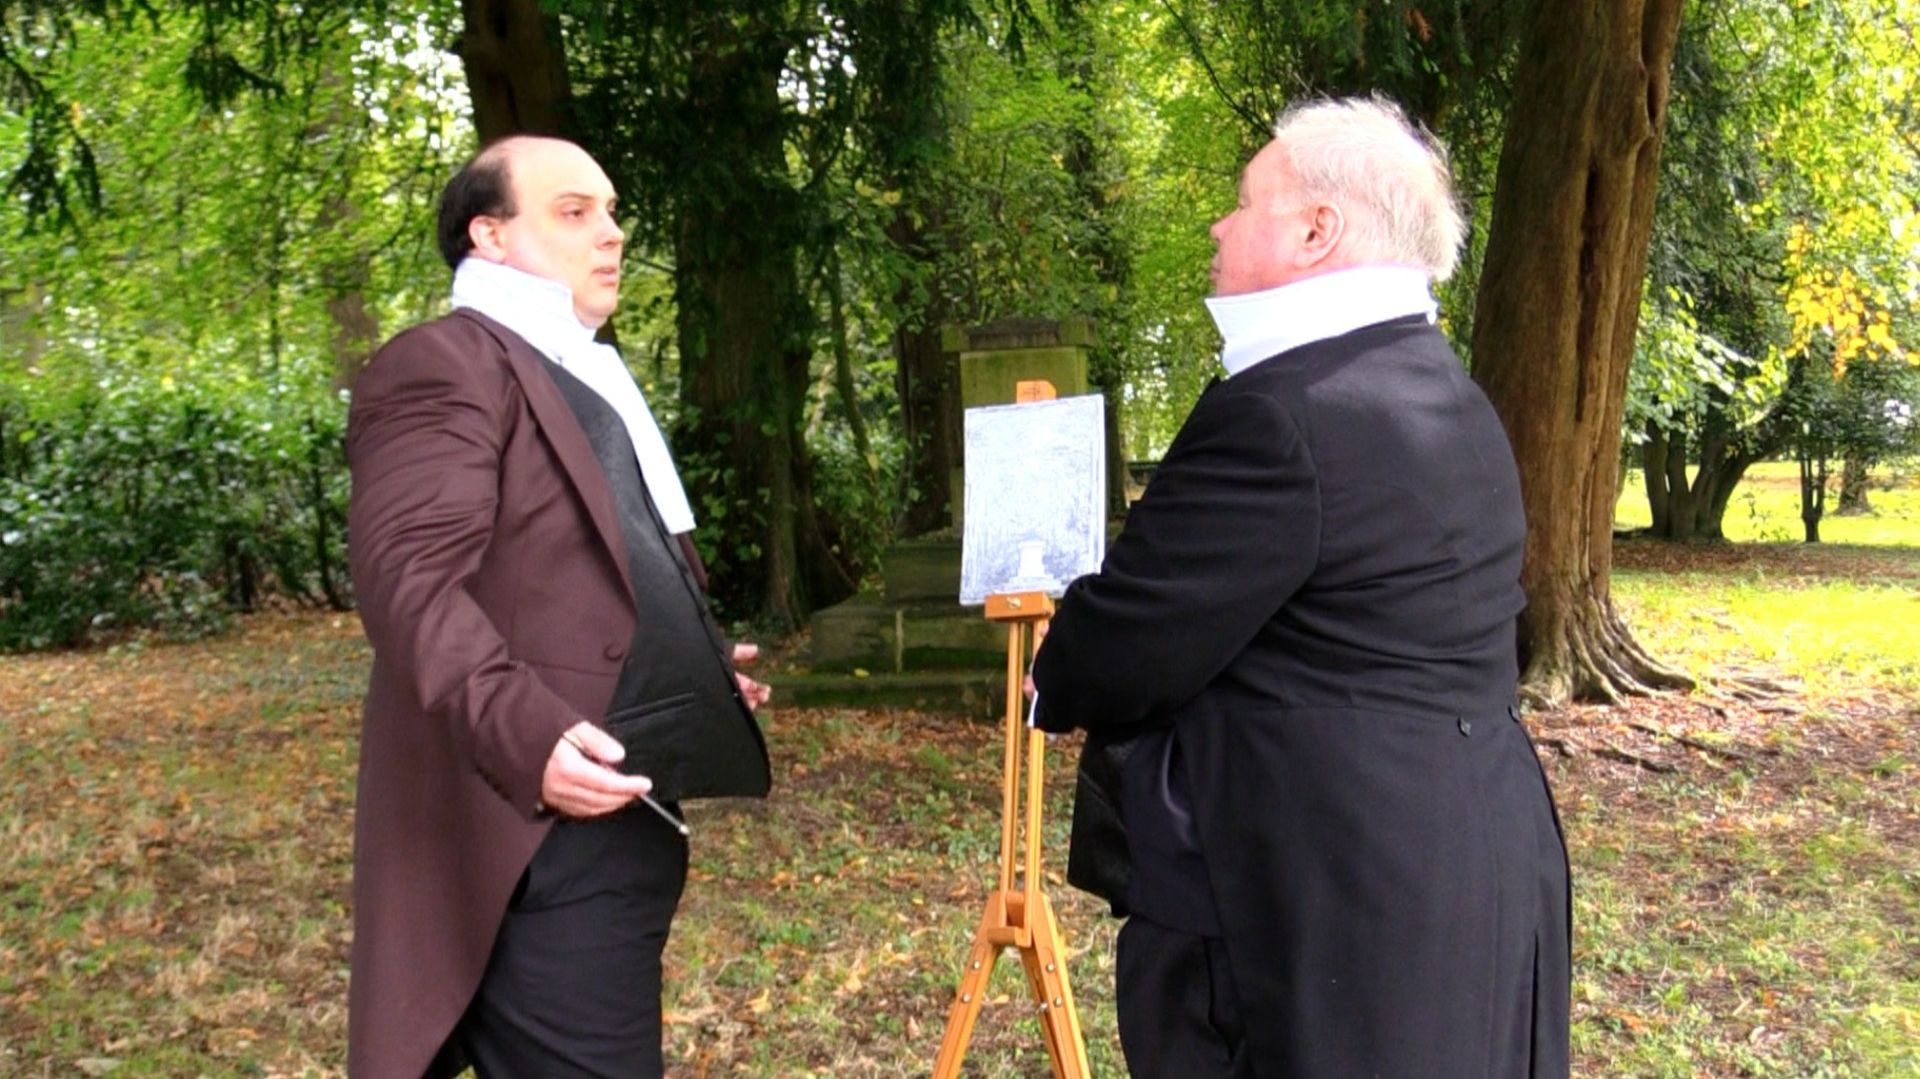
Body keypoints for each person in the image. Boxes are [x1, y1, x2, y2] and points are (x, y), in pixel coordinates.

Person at [1030, 96, 1571, 1078]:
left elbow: (1117, 649)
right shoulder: (1452, 396)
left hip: (1316, 898)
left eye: (1243, 201)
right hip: (1471, 865)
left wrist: (1051, 663)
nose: (1218, 225)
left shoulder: (1285, 411)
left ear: (1318, 229)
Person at [345, 135, 772, 1077]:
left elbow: (583, 585)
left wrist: (690, 673)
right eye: (574, 213)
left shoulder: (577, 372)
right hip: (529, 839)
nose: (610, 235)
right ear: (487, 237)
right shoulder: (446, 361)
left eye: (613, 212)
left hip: (612, 829)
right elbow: (407, 576)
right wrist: (527, 737)